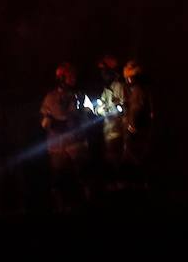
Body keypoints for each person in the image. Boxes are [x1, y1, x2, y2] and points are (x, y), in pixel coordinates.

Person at [40, 62, 87, 210]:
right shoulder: (51, 97)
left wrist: (86, 115)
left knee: (82, 174)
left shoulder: (79, 95)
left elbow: (89, 113)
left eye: (74, 76)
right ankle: (60, 207)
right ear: (61, 78)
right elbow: (50, 120)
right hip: (58, 146)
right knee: (59, 177)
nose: (73, 79)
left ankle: (85, 205)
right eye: (69, 76)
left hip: (76, 142)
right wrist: (54, 123)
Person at [95, 55, 127, 186]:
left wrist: (109, 110)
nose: (102, 74)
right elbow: (99, 108)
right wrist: (99, 110)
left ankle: (122, 186)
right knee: (110, 161)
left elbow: (124, 109)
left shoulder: (119, 86)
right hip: (109, 132)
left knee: (118, 161)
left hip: (118, 132)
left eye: (104, 70)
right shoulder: (107, 89)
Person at [121, 60, 154, 185]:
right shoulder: (144, 89)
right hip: (141, 132)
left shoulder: (138, 91)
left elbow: (136, 109)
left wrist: (131, 127)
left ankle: (135, 187)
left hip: (137, 134)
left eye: (128, 78)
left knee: (133, 162)